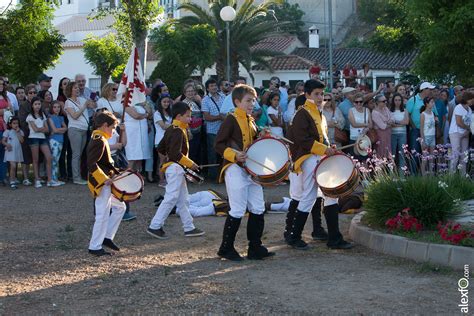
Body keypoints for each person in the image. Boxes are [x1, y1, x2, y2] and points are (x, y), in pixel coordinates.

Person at [285, 79, 352, 250]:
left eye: (322, 94)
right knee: (308, 196)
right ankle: (294, 237)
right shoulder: (302, 113)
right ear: (307, 94)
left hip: (319, 157)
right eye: (317, 94)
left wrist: (329, 147)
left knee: (331, 195)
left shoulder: (317, 112)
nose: (321, 97)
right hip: (307, 159)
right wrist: (324, 149)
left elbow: (322, 136)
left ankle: (334, 237)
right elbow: (303, 139)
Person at [215, 84, 275, 261]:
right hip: (235, 169)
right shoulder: (231, 119)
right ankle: (226, 248)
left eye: (254, 100)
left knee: (258, 207)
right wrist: (234, 155)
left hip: (251, 170)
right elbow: (218, 144)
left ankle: (255, 247)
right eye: (248, 100)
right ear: (237, 101)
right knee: (238, 209)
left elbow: (252, 142)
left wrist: (261, 135)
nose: (252, 104)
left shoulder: (250, 120)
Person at [147, 101, 205, 239]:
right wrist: (190, 164)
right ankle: (155, 226)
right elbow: (175, 154)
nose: (190, 119)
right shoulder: (178, 131)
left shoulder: (172, 129)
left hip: (174, 168)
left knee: (183, 200)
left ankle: (189, 227)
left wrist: (166, 161)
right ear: (179, 116)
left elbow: (161, 148)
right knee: (172, 197)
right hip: (176, 168)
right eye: (188, 116)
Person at [87, 111, 126, 256]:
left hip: (105, 181)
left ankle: (107, 237)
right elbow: (91, 163)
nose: (113, 131)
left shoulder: (101, 138)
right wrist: (104, 179)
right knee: (102, 214)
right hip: (101, 183)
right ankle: (95, 246)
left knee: (120, 207)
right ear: (104, 125)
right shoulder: (99, 139)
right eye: (112, 128)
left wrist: (117, 172)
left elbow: (105, 163)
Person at [64, 81, 95, 185]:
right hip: (75, 130)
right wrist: (84, 106)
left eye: (78, 88)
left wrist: (92, 99)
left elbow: (93, 105)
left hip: (84, 130)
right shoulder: (68, 102)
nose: (77, 89)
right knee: (76, 154)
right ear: (70, 90)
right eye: (75, 88)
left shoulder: (82, 99)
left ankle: (79, 176)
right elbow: (75, 116)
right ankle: (76, 178)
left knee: (80, 154)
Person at [26, 97, 60, 188]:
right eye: (35, 104)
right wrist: (42, 129)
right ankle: (37, 179)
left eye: (39, 104)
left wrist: (41, 129)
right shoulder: (30, 116)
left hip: (42, 138)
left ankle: (49, 180)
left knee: (49, 157)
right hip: (33, 138)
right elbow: (35, 129)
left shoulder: (43, 115)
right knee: (35, 159)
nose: (37, 106)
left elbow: (47, 129)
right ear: (32, 106)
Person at [201, 78, 225, 181]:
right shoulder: (205, 100)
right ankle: (213, 177)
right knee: (212, 154)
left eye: (215, 85)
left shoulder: (224, 97)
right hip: (212, 132)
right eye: (211, 86)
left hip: (224, 131)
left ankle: (223, 175)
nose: (214, 87)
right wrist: (220, 117)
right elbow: (206, 117)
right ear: (207, 88)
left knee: (223, 154)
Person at [406, 82, 438, 153]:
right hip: (416, 130)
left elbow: (435, 114)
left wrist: (436, 123)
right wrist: (414, 127)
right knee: (415, 152)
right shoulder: (413, 100)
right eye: (430, 89)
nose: (431, 91)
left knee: (428, 155)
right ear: (424, 90)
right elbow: (407, 114)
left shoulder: (431, 101)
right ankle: (415, 164)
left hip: (429, 132)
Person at [448, 91, 473, 175]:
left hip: (465, 134)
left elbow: (468, 122)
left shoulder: (469, 109)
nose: (473, 100)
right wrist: (469, 128)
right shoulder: (458, 107)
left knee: (464, 156)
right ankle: (451, 176)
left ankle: (463, 177)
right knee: (455, 155)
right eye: (471, 99)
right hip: (455, 133)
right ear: (467, 99)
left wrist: (468, 130)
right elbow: (459, 122)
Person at [123, 99, 152, 171]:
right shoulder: (126, 103)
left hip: (142, 132)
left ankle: (137, 176)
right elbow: (136, 116)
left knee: (140, 157)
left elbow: (150, 114)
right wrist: (146, 114)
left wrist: (145, 105)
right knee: (132, 157)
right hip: (132, 133)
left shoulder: (141, 102)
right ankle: (128, 177)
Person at [181, 83, 203, 165]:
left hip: (198, 131)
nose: (190, 93)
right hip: (190, 133)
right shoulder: (183, 104)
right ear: (185, 93)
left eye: (192, 91)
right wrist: (188, 131)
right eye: (188, 91)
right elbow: (183, 120)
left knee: (197, 153)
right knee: (191, 153)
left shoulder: (195, 103)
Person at [153, 95, 172, 187]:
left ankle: (168, 179)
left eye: (168, 102)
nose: (166, 104)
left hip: (169, 140)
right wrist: (176, 125)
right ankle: (161, 180)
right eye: (164, 102)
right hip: (160, 140)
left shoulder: (171, 113)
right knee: (162, 160)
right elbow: (163, 126)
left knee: (169, 160)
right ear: (160, 103)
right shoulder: (157, 114)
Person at [2, 116, 24, 189]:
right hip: (10, 151)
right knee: (13, 166)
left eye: (17, 123)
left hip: (17, 151)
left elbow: (22, 141)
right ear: (10, 124)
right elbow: (3, 141)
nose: (16, 125)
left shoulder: (20, 131)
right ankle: (12, 182)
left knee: (15, 166)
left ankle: (13, 178)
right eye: (14, 123)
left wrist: (18, 132)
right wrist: (7, 144)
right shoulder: (7, 131)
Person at [48, 101, 67, 184]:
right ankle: (52, 179)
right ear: (52, 108)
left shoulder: (61, 118)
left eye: (58, 107)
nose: (57, 109)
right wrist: (60, 130)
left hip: (60, 140)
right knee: (54, 160)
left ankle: (55, 178)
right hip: (54, 140)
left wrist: (57, 130)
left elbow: (66, 128)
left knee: (57, 159)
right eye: (55, 107)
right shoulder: (50, 117)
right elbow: (54, 129)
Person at [0, 77, 14, 185]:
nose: (1, 85)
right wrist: (4, 110)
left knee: (4, 153)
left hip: (4, 127)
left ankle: (3, 176)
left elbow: (11, 109)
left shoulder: (6, 97)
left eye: (2, 84)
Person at [389, 93, 409, 168]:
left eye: (399, 100)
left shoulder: (405, 110)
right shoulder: (390, 111)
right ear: (393, 101)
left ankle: (402, 176)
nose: (397, 102)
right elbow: (391, 124)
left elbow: (406, 122)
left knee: (402, 154)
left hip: (402, 134)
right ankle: (392, 174)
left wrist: (396, 122)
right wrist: (401, 123)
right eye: (396, 100)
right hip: (392, 134)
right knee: (392, 154)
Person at [419, 97, 437, 174]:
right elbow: (421, 128)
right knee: (425, 158)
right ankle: (423, 176)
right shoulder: (423, 114)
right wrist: (423, 141)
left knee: (432, 158)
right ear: (427, 103)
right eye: (431, 102)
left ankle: (431, 174)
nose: (433, 103)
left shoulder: (432, 113)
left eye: (433, 102)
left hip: (432, 136)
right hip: (426, 136)